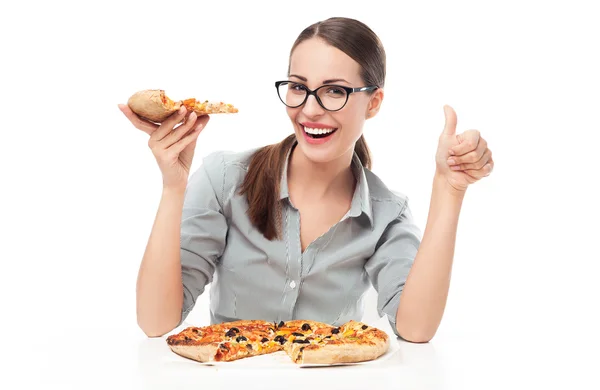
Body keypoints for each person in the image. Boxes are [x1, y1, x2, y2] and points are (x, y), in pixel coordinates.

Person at [118, 17, 493, 343]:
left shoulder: (386, 214)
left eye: (335, 91)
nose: (310, 110)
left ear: (374, 103)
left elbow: (416, 329)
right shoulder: (224, 180)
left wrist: (450, 188)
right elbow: (155, 322)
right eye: (298, 87)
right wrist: (173, 186)